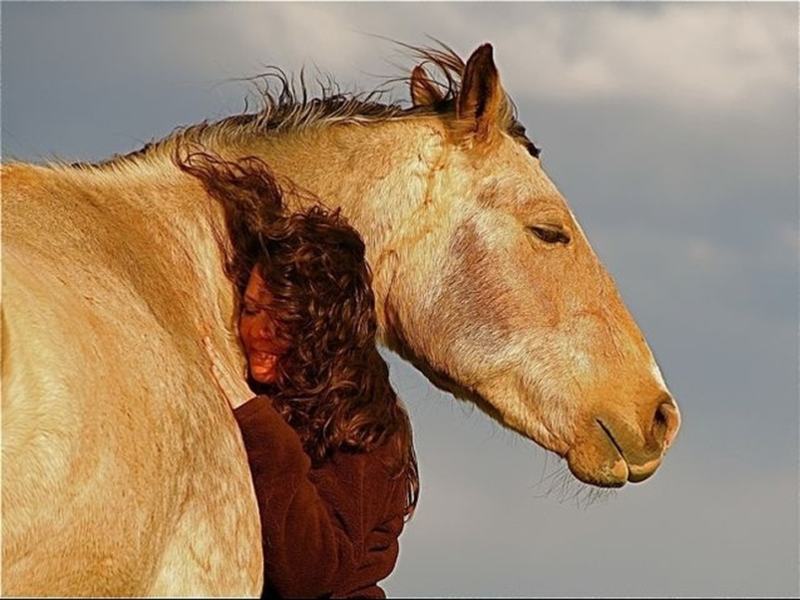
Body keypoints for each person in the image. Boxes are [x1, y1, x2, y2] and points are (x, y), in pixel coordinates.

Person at [179, 151, 419, 599]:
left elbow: (310, 571)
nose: (260, 332)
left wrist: (252, 416)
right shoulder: (273, 393)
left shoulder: (365, 426)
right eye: (251, 310)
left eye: (284, 318)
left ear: (321, 330)